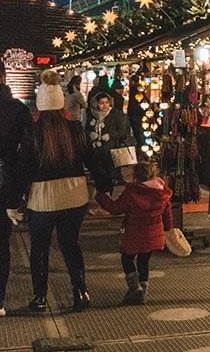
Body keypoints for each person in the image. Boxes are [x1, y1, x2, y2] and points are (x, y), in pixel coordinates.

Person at [24, 70, 109, 313]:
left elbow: (24, 167)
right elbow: (91, 158)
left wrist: (14, 199)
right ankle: (80, 290)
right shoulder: (74, 128)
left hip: (42, 198)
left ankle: (40, 296)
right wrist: (104, 186)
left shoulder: (33, 130)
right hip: (74, 194)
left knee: (39, 248)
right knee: (70, 244)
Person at [95, 162, 172, 305]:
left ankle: (134, 286)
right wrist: (169, 229)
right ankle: (142, 290)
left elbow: (115, 208)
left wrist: (101, 197)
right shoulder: (161, 192)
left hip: (134, 233)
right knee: (144, 261)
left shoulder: (132, 192)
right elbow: (167, 213)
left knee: (127, 259)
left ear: (135, 176)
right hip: (153, 234)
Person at [0, 60, 33, 318]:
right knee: (2, 243)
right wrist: (19, 192)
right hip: (5, 183)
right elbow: (29, 153)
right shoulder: (18, 110)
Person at [86, 91, 132, 187]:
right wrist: (90, 134)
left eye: (106, 103)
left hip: (111, 148)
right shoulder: (92, 114)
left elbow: (122, 131)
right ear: (96, 104)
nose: (104, 105)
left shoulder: (115, 114)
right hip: (96, 149)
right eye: (101, 103)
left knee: (110, 172)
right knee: (98, 171)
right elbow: (87, 128)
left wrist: (110, 135)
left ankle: (109, 186)